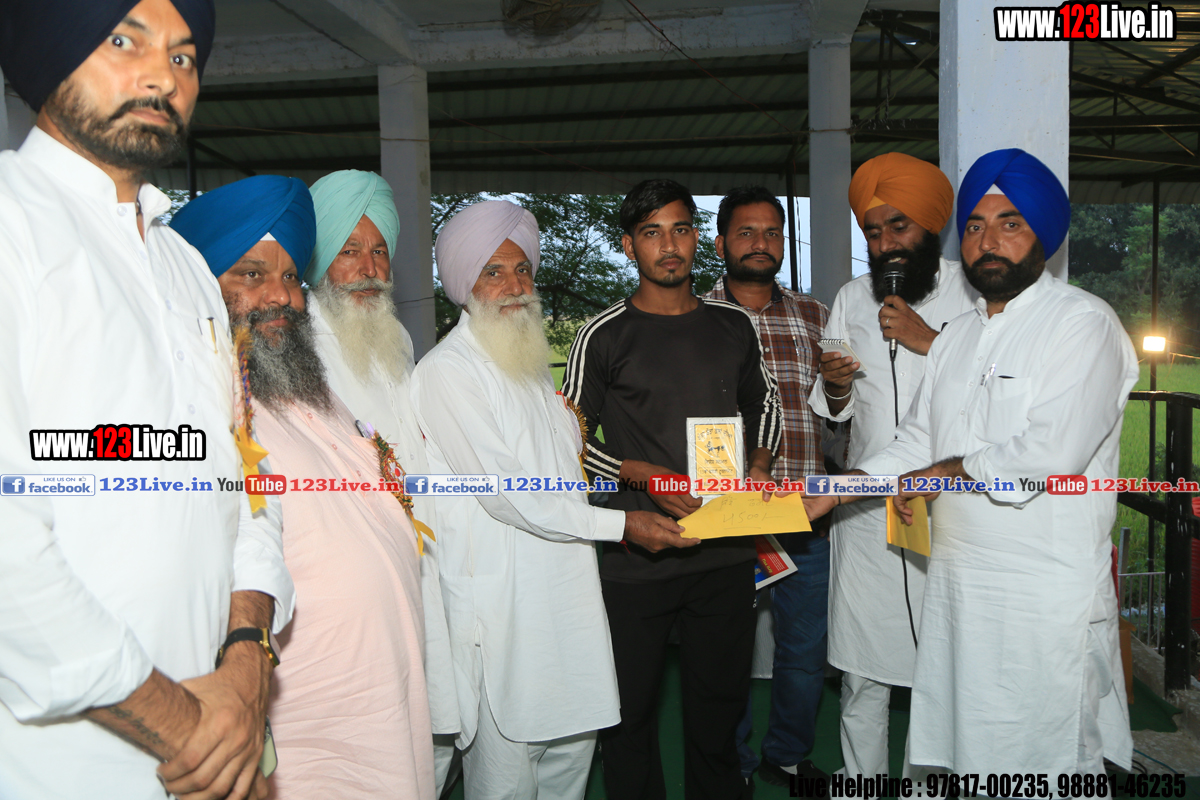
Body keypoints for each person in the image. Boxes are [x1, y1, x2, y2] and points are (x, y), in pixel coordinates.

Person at [0, 3, 295, 799]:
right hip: (62, 768)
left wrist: (245, 663)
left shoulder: (184, 266)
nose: (163, 75)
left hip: (216, 740)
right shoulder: (12, 228)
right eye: (123, 40)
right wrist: (188, 728)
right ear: (51, 52)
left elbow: (247, 485)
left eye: (184, 56)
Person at [804, 149, 1136, 776]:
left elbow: (1048, 456)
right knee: (960, 753)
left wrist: (938, 474)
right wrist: (840, 487)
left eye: (1011, 223)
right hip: (958, 587)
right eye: (977, 226)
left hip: (1042, 595)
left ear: (1044, 234)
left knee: (1049, 762)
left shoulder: (1083, 324)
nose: (989, 241)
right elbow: (917, 440)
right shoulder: (959, 336)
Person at [411, 199, 693, 800]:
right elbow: (509, 496)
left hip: (567, 603)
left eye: (522, 269)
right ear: (463, 283)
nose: (515, 285)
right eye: (493, 271)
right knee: (506, 781)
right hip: (503, 611)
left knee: (570, 766)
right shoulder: (448, 371)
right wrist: (624, 526)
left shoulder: (530, 367)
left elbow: (564, 474)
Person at [172, 174, 436, 799]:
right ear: (200, 285)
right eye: (251, 274)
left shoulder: (302, 386)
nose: (282, 296)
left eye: (291, 276)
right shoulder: (193, 406)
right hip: (307, 721)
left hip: (384, 698)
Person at [563, 178, 782, 800]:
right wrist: (642, 475)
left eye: (680, 229)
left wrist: (759, 465)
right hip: (637, 556)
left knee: (719, 715)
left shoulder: (733, 324)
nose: (669, 246)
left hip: (724, 552)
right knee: (628, 717)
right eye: (652, 233)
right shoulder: (602, 334)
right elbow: (567, 438)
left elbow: (763, 404)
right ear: (628, 246)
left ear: (696, 238)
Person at [807, 152, 977, 779]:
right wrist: (836, 384)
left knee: (942, 672)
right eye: (873, 232)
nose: (885, 245)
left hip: (950, 506)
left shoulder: (975, 295)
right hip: (863, 503)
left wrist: (928, 340)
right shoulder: (851, 298)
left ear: (932, 226)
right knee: (862, 674)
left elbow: (993, 391)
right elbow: (835, 411)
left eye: (898, 227)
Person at [306, 169, 460, 796]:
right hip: (347, 577)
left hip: (419, 556)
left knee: (429, 728)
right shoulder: (294, 345)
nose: (368, 268)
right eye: (349, 250)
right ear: (319, 258)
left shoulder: (393, 335)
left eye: (379, 250)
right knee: (362, 742)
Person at [703, 186, 830, 788]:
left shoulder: (816, 316)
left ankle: (788, 753)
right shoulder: (694, 315)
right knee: (723, 650)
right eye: (746, 232)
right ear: (721, 242)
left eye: (772, 232)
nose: (760, 243)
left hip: (805, 509)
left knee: (803, 651)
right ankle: (734, 763)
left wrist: (843, 388)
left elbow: (839, 409)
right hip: (725, 514)